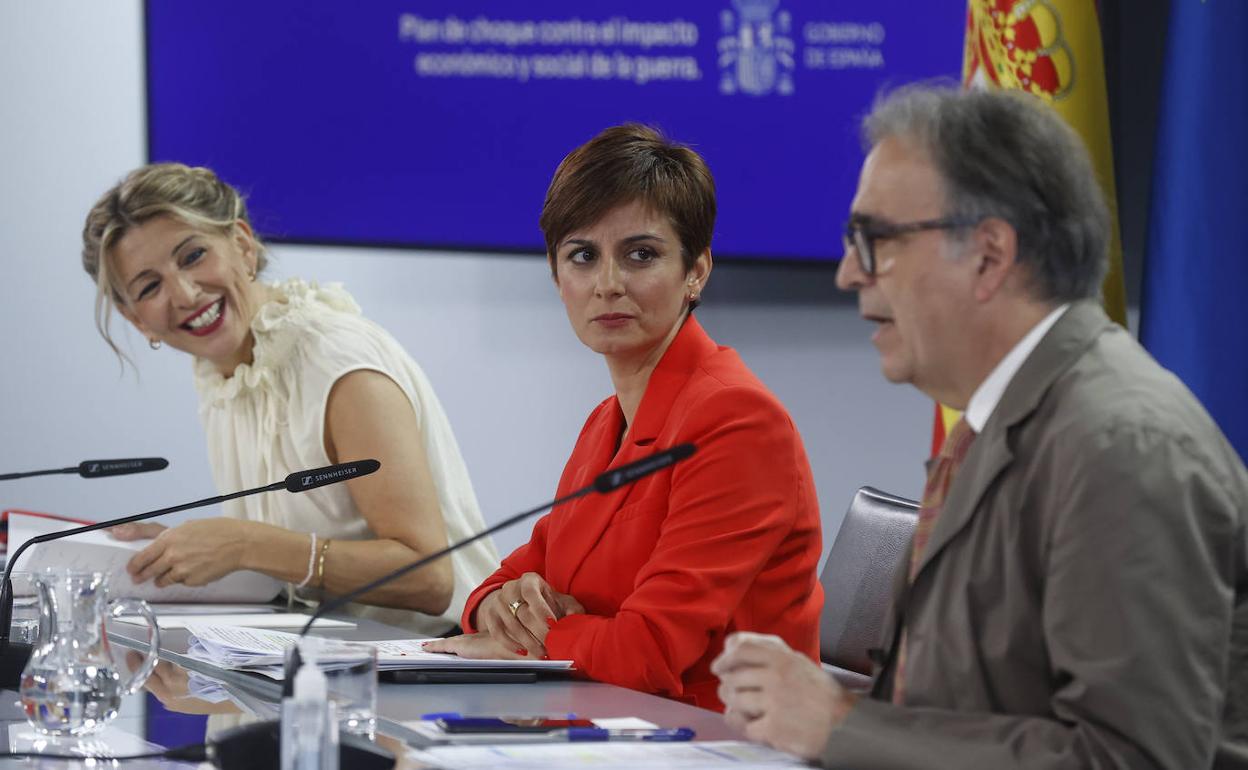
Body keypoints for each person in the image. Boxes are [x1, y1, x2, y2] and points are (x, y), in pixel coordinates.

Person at [714, 84, 1248, 767]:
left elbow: (1128, 760)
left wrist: (840, 726)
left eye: (875, 240)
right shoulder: (1008, 420)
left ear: (990, 256)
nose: (849, 274)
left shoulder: (1120, 445)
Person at [426, 124, 824, 711]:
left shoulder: (738, 421)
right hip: (601, 726)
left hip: (718, 744)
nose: (607, 284)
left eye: (641, 255)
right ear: (557, 277)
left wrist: (544, 633)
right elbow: (498, 584)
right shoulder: (606, 423)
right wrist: (501, 608)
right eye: (582, 256)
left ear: (697, 271)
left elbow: (648, 653)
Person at [80, 163, 499, 635]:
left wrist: (242, 545)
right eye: (149, 287)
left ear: (241, 244)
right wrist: (186, 556)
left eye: (193, 255)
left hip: (439, 668)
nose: (184, 293)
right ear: (136, 319)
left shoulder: (335, 360)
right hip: (327, 663)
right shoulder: (223, 373)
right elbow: (289, 566)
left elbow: (428, 576)